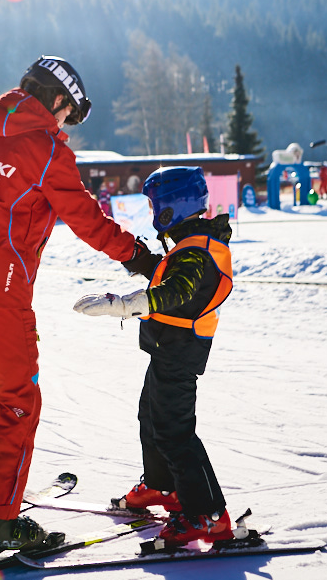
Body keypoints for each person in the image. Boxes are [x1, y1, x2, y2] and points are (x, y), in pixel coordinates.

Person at [0, 55, 159, 557]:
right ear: (57, 100)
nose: (65, 125)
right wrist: (138, 256)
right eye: (68, 115)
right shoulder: (44, 150)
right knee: (18, 398)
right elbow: (85, 217)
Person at [73, 166, 237, 549]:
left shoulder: (197, 249)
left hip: (181, 351)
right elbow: (169, 274)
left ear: (171, 208)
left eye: (154, 205)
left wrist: (125, 305)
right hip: (169, 349)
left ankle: (208, 515)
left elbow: (178, 291)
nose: (151, 212)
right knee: (152, 417)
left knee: (175, 431)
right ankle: (164, 488)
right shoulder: (189, 244)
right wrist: (140, 261)